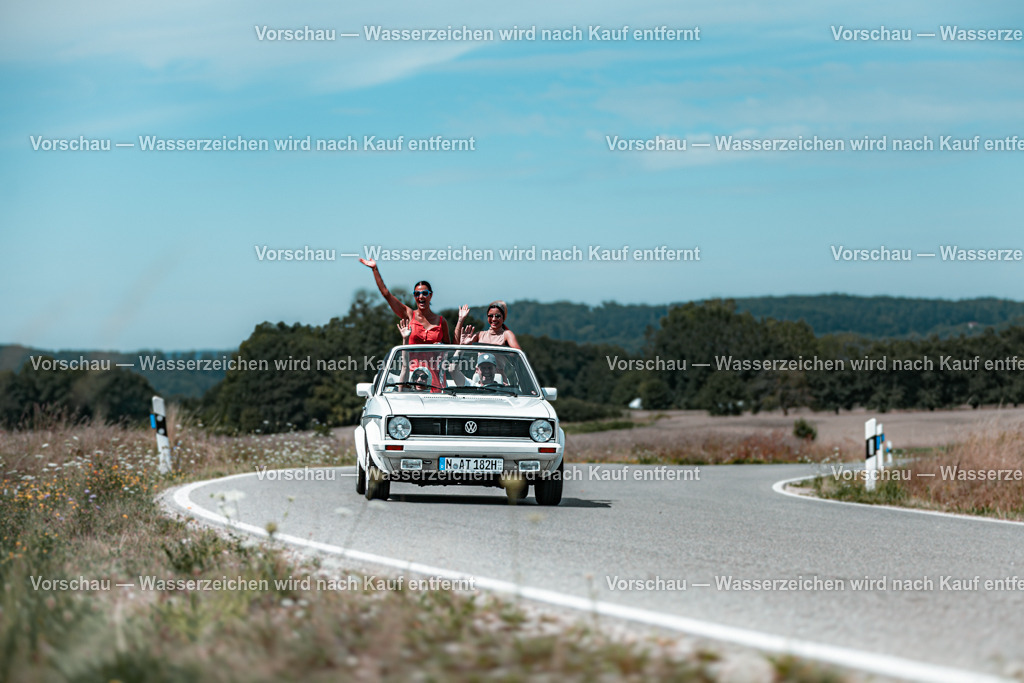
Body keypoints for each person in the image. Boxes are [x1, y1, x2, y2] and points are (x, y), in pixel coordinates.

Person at [359, 258, 450, 344]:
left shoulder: (441, 321)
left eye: (425, 293)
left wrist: (460, 322)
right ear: (414, 296)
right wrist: (375, 269)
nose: (421, 296)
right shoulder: (409, 315)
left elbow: (450, 349)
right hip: (411, 361)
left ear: (431, 295)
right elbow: (386, 294)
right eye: (417, 294)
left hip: (436, 361)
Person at [454, 300, 520, 348]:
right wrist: (461, 319)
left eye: (497, 316)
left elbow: (517, 356)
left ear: (503, 318)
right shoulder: (480, 335)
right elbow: (455, 345)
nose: (494, 319)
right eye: (490, 316)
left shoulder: (507, 334)